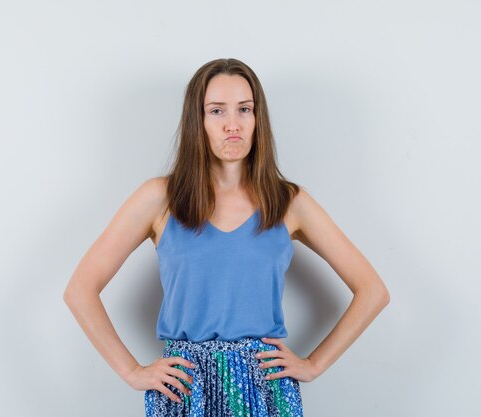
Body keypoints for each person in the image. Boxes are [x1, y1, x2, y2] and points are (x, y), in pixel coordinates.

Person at [64, 58, 390, 417]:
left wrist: (313, 364)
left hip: (265, 387)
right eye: (217, 111)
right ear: (198, 121)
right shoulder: (159, 199)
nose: (232, 125)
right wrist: (131, 371)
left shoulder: (289, 202)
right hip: (184, 387)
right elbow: (80, 289)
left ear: (257, 119)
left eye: (244, 110)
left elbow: (373, 291)